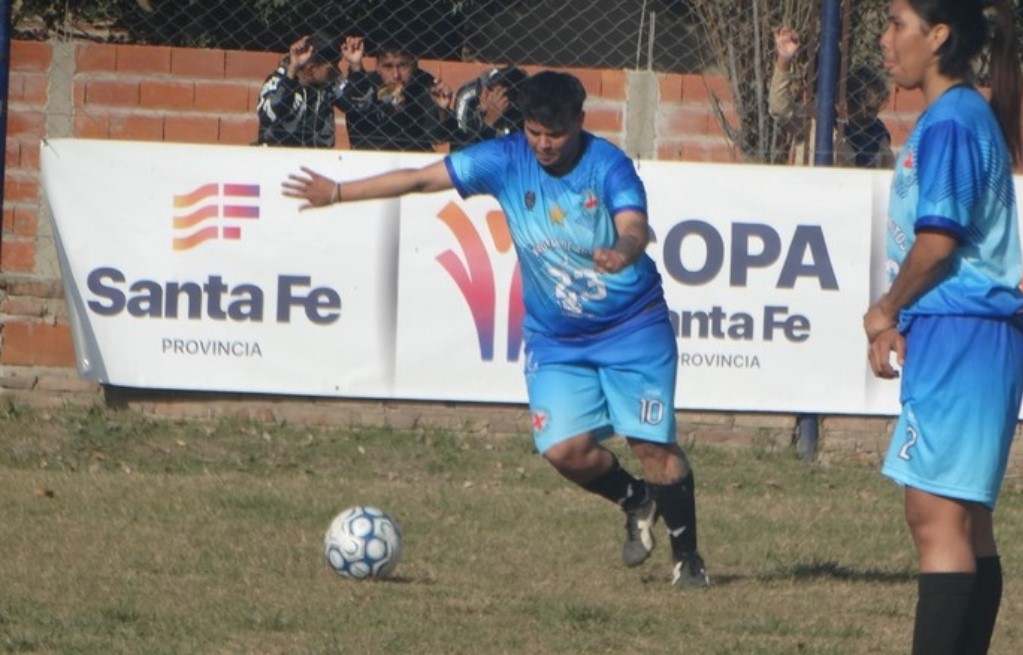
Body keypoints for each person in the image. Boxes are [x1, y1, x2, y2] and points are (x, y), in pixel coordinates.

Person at [282, 70, 710, 588]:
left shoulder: (608, 165)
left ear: (579, 121)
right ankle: (636, 499)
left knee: (652, 447)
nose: (544, 145)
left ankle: (688, 560)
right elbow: (421, 179)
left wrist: (622, 252)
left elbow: (635, 226)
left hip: (632, 327)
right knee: (563, 451)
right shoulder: (505, 160)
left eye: (555, 134)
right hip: (556, 339)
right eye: (534, 132)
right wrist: (337, 193)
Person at [864, 1, 1023, 654]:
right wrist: (903, 320)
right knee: (961, 521)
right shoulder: (951, 117)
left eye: (896, 23)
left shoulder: (954, 122)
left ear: (937, 37)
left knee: (935, 518)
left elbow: (939, 242)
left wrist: (885, 309)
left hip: (966, 334)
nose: (886, 40)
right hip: (957, 333)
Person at [769, 25, 894, 169]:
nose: (868, 116)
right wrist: (784, 60)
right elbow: (778, 107)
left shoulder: (878, 135)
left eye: (873, 110)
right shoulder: (815, 122)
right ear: (846, 102)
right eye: (863, 108)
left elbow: (890, 175)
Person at [336, 37, 459, 152]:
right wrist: (356, 67)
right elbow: (351, 103)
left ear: (414, 64)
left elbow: (437, 138)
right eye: (388, 66)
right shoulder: (366, 84)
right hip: (371, 155)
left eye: (402, 66)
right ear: (377, 66)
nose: (396, 75)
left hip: (413, 157)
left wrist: (442, 110)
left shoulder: (424, 84)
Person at [256, 35, 343, 148]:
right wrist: (291, 72)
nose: (337, 73)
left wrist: (355, 68)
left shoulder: (328, 87)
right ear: (311, 69)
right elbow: (268, 116)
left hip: (316, 159)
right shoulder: (277, 81)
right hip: (277, 156)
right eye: (331, 69)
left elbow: (356, 103)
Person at [450, 66, 530, 151]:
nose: (484, 95)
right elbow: (464, 153)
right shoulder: (471, 103)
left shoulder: (523, 114)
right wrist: (488, 121)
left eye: (491, 91)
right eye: (487, 88)